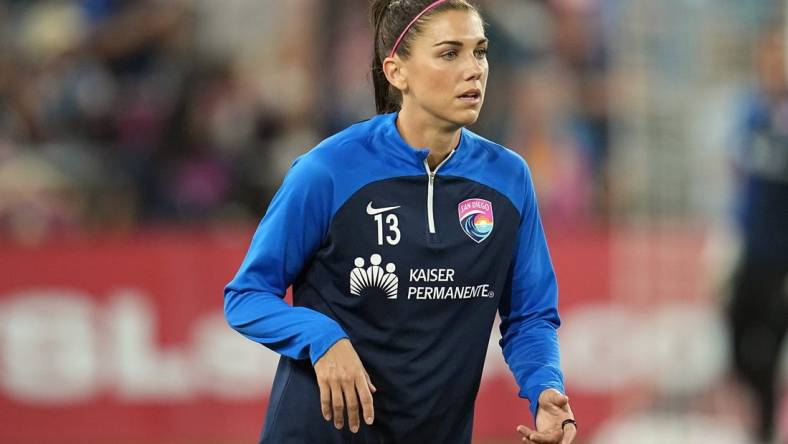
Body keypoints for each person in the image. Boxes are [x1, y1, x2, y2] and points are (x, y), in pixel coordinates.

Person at [224, 1, 576, 443]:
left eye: (480, 51)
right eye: (450, 53)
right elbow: (247, 296)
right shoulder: (328, 171)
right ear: (397, 72)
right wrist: (322, 338)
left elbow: (529, 317)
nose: (474, 70)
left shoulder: (509, 179)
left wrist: (545, 389)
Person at [727, 23, 788, 444]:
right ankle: (761, 418)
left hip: (784, 257)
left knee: (768, 348)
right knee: (734, 338)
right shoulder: (752, 110)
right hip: (752, 249)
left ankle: (765, 429)